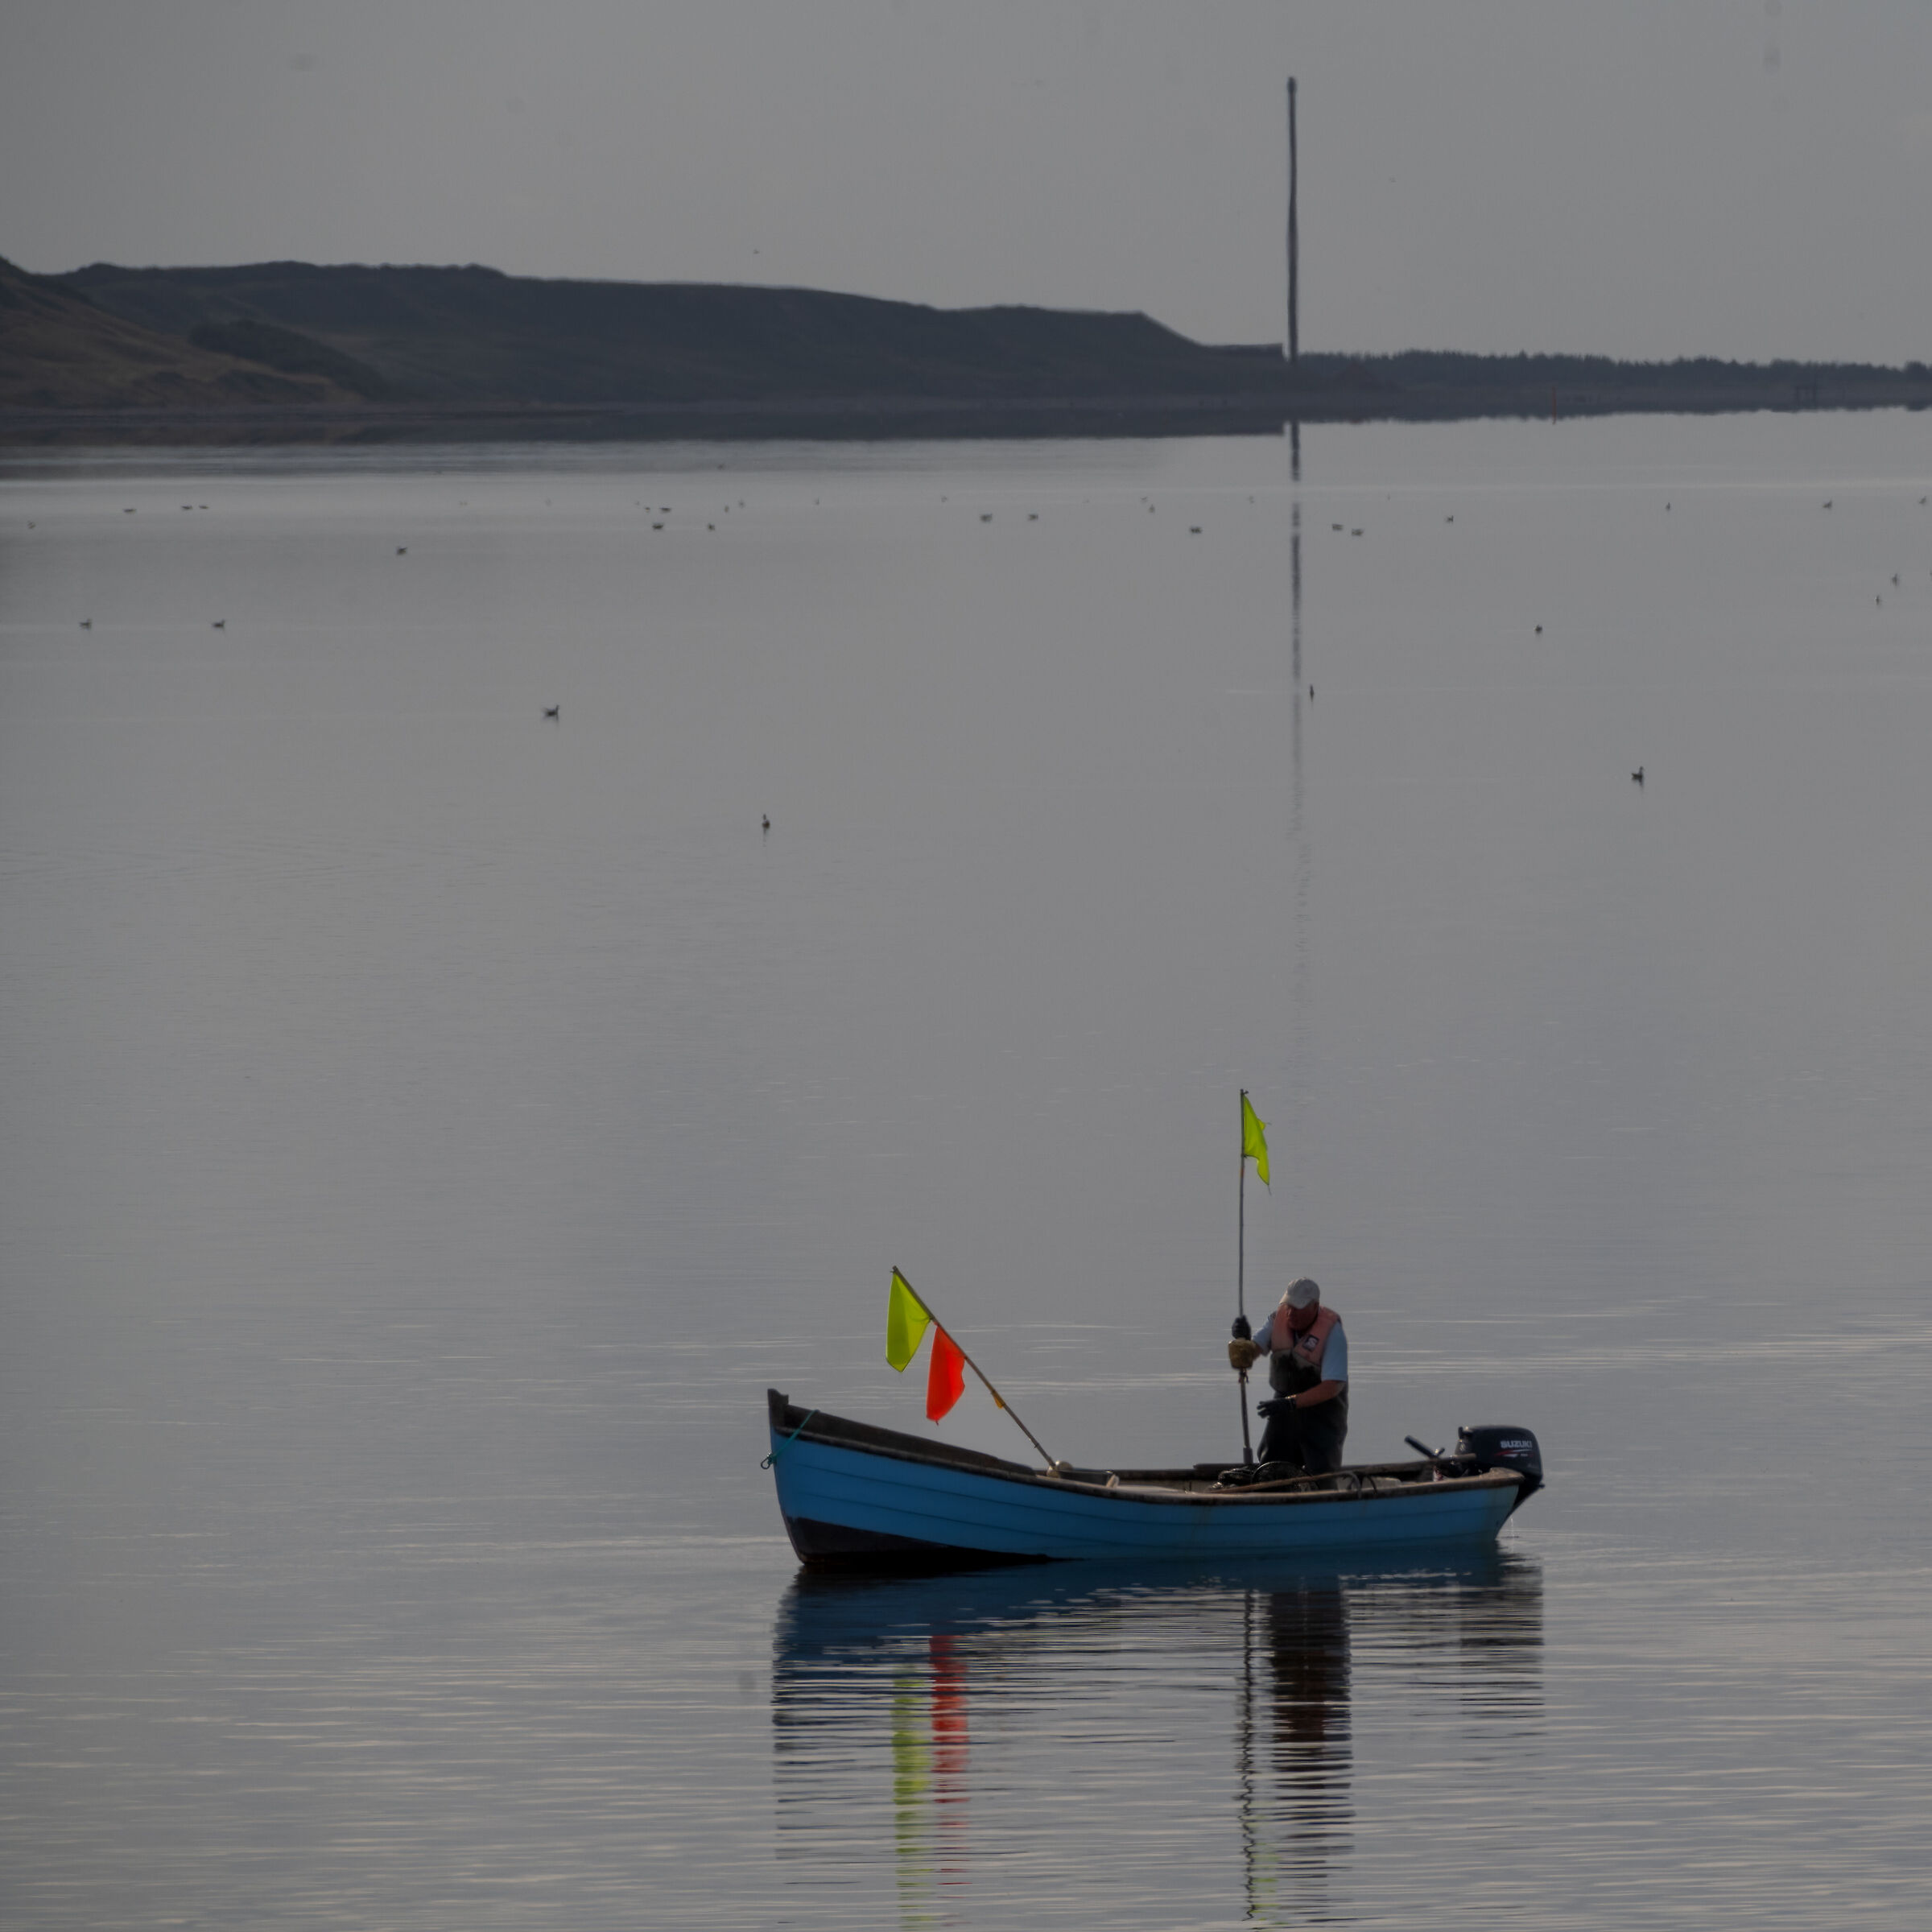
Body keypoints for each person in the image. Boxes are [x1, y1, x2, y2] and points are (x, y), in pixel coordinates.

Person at [1227, 1277, 1349, 1474]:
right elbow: (1251, 1353)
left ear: (1315, 1306)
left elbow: (1333, 1386)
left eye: (1298, 1307)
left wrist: (1291, 1403)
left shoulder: (1332, 1333)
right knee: (1271, 1464)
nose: (1291, 1313)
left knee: (1320, 1470)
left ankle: (1323, 1497)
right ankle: (1271, 1495)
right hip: (1283, 1409)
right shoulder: (1278, 1320)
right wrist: (1243, 1339)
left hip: (1323, 1413)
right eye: (1289, 1306)